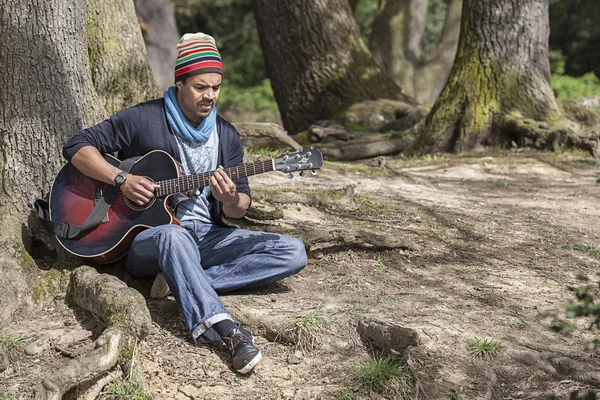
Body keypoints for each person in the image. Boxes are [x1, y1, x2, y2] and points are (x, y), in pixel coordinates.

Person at [62, 32, 308, 374]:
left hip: (207, 237)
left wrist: (230, 198)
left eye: (216, 87)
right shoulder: (143, 119)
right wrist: (122, 179)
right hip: (149, 240)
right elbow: (77, 146)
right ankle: (228, 332)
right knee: (173, 236)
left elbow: (241, 205)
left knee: (293, 252)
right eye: (200, 86)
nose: (210, 95)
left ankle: (182, 278)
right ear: (180, 82)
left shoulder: (226, 135)